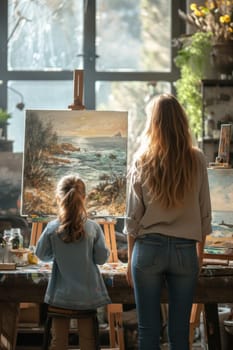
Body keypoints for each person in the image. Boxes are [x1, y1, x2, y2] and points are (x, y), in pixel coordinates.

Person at [124, 93, 212, 350]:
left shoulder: (142, 160)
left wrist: (130, 259)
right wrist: (200, 254)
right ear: (181, 122)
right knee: (179, 333)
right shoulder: (197, 160)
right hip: (186, 252)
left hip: (148, 249)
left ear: (153, 123)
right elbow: (204, 212)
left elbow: (132, 217)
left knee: (148, 332)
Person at [35, 174, 111, 350]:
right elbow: (101, 259)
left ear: (58, 198)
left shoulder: (52, 228)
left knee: (58, 342)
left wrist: (59, 254)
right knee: (88, 342)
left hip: (60, 297)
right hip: (87, 296)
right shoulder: (93, 227)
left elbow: (42, 255)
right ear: (84, 198)